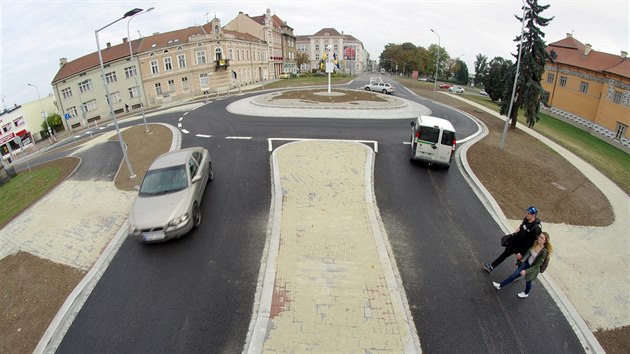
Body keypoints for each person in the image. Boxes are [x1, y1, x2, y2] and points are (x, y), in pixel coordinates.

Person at [492, 232, 553, 298]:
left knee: (528, 281)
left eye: (542, 238)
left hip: (533, 269)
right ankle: (500, 285)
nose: (539, 238)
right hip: (527, 263)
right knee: (514, 275)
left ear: (545, 240)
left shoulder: (544, 252)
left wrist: (526, 271)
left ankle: (526, 293)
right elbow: (528, 252)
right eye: (539, 236)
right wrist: (522, 258)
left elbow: (537, 266)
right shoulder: (535, 243)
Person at [483, 206, 542, 272]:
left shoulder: (536, 228)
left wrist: (521, 253)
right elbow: (522, 225)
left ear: (533, 215)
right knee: (504, 254)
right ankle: (491, 267)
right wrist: (519, 229)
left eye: (528, 213)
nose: (526, 214)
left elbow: (530, 243)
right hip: (514, 242)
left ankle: (519, 274)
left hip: (521, 248)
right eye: (526, 212)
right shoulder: (526, 219)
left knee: (520, 262)